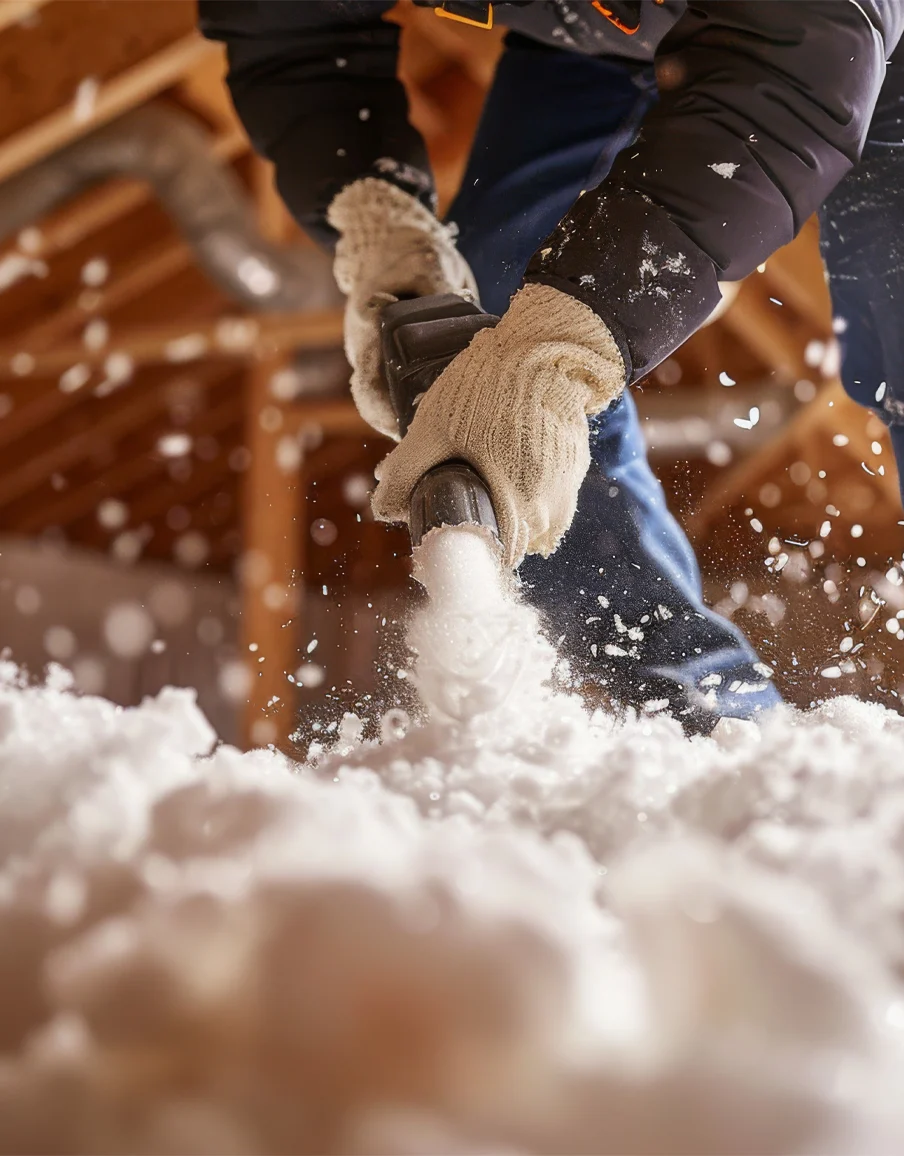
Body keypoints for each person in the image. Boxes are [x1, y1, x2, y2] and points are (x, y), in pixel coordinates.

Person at [199, 0, 902, 733]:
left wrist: (569, 343)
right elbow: (289, 28)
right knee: (501, 316)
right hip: (593, 38)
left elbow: (803, 52)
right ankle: (700, 711)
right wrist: (376, 216)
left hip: (843, 37)